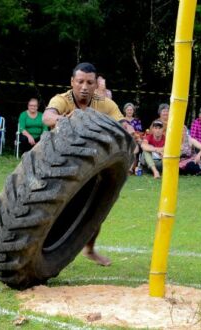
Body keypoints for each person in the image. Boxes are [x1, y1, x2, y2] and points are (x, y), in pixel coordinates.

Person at [42, 62, 135, 267]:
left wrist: (128, 133)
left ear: (95, 85)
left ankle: (90, 250)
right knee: (55, 207)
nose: (84, 86)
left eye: (89, 82)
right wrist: (64, 120)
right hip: (58, 162)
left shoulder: (104, 104)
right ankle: (43, 248)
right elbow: (47, 117)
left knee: (96, 209)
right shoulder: (62, 99)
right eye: (80, 81)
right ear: (72, 82)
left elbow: (123, 126)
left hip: (89, 166)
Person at [123, 102, 143, 172]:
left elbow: (139, 133)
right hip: (123, 140)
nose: (129, 111)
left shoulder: (137, 121)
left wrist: (135, 136)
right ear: (125, 110)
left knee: (135, 148)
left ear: (133, 111)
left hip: (134, 140)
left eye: (131, 110)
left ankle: (130, 169)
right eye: (128, 110)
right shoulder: (121, 120)